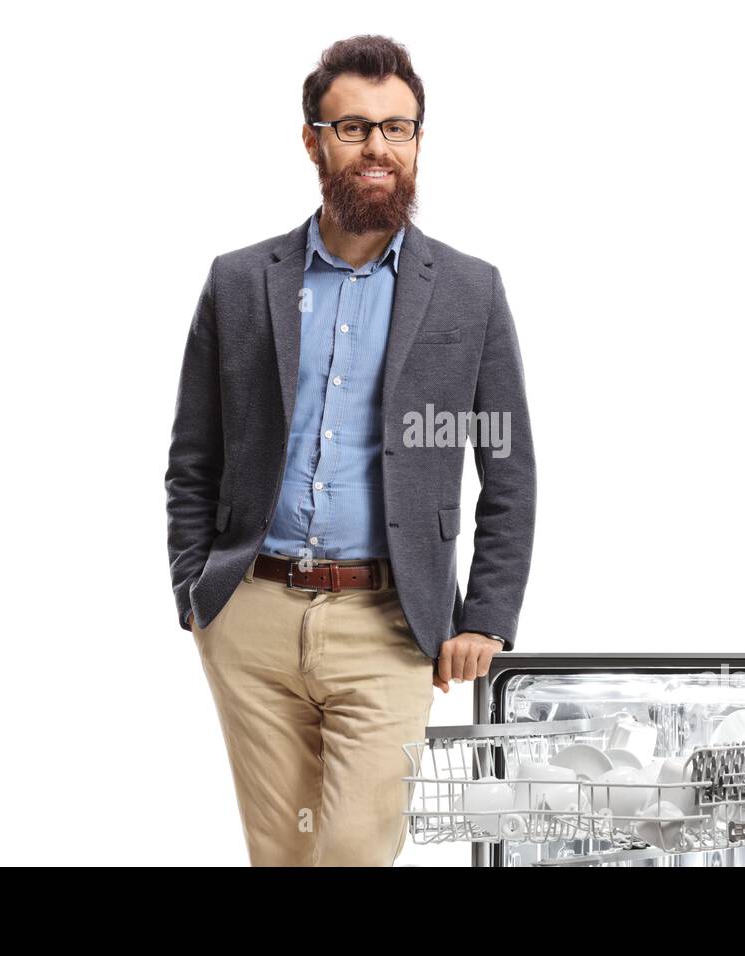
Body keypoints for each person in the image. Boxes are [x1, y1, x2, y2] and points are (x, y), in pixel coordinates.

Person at [164, 34, 536, 866]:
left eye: (397, 129)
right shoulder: (238, 281)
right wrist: (197, 594)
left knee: (356, 851)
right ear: (313, 141)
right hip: (249, 615)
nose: (378, 148)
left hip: (391, 623)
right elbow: (194, 455)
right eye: (354, 128)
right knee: (283, 852)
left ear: (417, 140)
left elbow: (506, 466)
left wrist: (486, 617)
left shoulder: (470, 290)